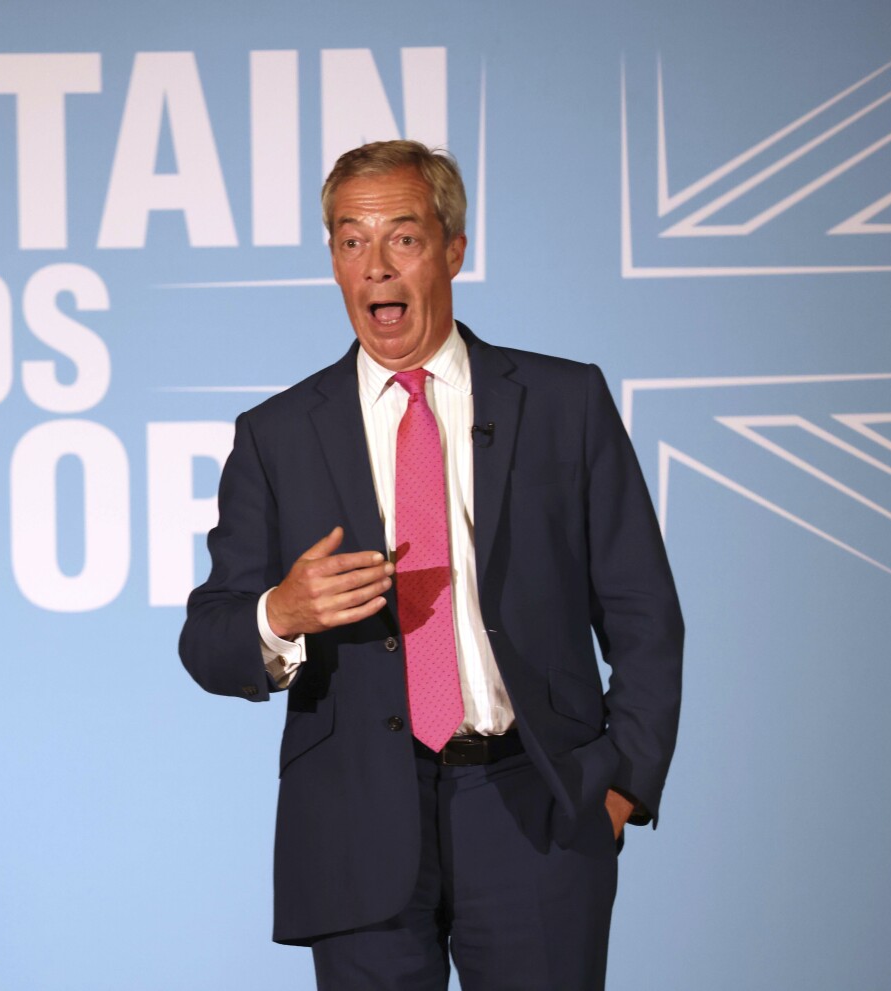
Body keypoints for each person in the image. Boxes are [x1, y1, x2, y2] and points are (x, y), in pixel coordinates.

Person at [179, 140, 682, 991]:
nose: (375, 265)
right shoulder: (276, 435)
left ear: (453, 249)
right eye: (351, 240)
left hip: (535, 805)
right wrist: (281, 613)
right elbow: (208, 638)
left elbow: (644, 610)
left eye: (402, 238)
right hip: (354, 819)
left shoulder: (564, 403)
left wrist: (620, 783)